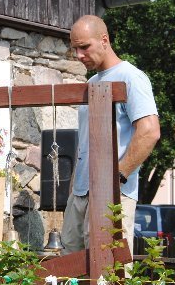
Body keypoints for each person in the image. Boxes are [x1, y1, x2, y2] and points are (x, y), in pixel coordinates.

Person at [63, 14, 160, 255]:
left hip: (113, 193)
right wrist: (74, 185)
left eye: (84, 47)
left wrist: (117, 177)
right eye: (75, 49)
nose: (79, 55)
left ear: (104, 40)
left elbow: (149, 131)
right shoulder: (92, 82)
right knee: (69, 265)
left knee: (108, 268)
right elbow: (85, 143)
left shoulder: (131, 77)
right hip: (80, 192)